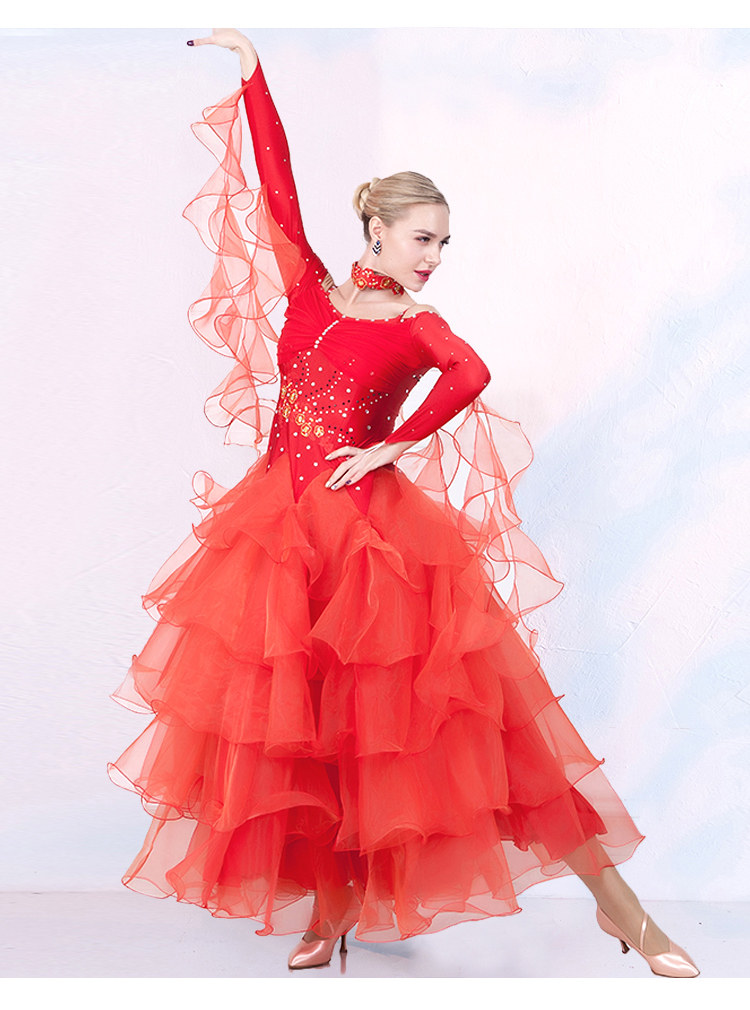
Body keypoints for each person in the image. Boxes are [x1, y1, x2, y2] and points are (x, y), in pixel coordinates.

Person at [107, 28, 700, 977]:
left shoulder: (419, 324)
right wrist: (254, 72)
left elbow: (471, 373)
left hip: (370, 545)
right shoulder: (308, 289)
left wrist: (392, 445)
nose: (435, 257)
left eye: (444, 243)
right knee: (308, 740)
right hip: (279, 536)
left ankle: (627, 914)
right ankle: (329, 909)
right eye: (424, 239)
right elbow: (276, 187)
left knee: (491, 737)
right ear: (376, 231)